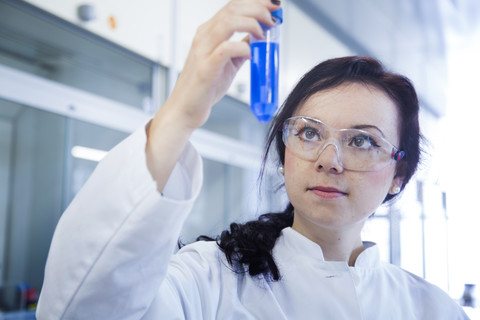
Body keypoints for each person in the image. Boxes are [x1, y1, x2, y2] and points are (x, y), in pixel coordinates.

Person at [36, 0, 468, 319]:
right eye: (310, 133)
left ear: (399, 174)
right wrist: (181, 112)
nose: (329, 159)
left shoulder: (433, 309)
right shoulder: (207, 281)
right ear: (285, 155)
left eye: (362, 141)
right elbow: (83, 308)